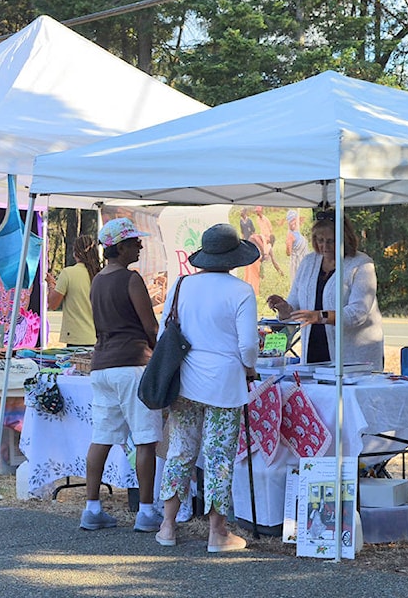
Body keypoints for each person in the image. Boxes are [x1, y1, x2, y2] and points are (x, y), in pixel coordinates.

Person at [154, 223, 259, 551]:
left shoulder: (182, 285)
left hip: (186, 380)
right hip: (225, 384)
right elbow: (248, 347)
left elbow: (163, 335)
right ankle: (217, 533)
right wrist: (250, 369)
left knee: (180, 451)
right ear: (234, 257)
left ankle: (168, 527)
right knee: (218, 455)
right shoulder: (241, 291)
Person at [81, 217, 163, 533]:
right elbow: (150, 327)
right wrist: (161, 354)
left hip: (102, 365)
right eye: (134, 242)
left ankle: (92, 508)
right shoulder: (131, 279)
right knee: (145, 438)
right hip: (132, 364)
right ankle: (145, 511)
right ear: (121, 247)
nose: (140, 245)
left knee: (101, 437)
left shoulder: (98, 280)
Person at [266, 210, 384, 369]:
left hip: (352, 358)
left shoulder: (362, 264)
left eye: (331, 241)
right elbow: (295, 306)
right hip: (313, 352)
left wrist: (320, 316)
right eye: (320, 240)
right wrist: (284, 308)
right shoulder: (308, 262)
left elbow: (357, 313)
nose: (324, 246)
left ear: (345, 239)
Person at [45, 234, 102, 347]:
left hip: (76, 339)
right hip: (99, 338)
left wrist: (51, 284)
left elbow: (53, 304)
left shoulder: (68, 273)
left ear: (75, 253)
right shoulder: (100, 274)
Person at [285, 209, 309, 280]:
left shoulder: (298, 233)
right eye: (290, 221)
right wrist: (288, 245)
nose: (292, 222)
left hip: (303, 264)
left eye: (293, 220)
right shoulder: (290, 235)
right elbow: (288, 253)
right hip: (297, 265)